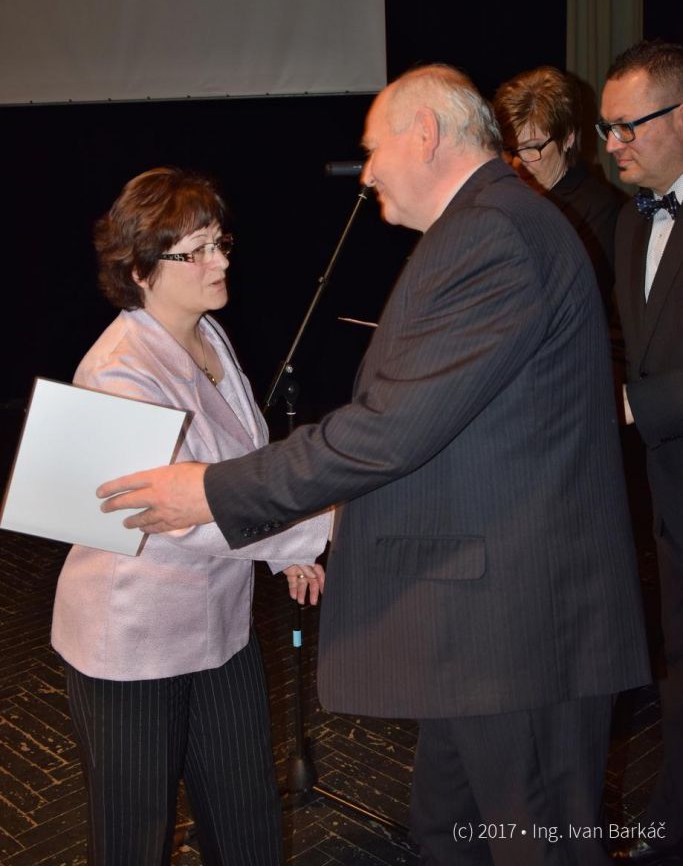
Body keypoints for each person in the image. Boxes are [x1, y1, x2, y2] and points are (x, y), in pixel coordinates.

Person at [97, 66, 651, 866]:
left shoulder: (494, 235)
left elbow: (389, 431)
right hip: (486, 624)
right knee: (450, 834)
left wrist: (211, 491)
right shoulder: (484, 226)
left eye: (372, 148)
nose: (367, 173)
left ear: (423, 135)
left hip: (520, 633)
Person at [51, 167, 331, 866]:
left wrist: (284, 552)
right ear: (139, 270)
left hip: (218, 625)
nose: (221, 261)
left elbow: (245, 460)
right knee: (135, 837)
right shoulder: (117, 370)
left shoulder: (207, 336)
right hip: (131, 642)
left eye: (220, 242)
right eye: (196, 250)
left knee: (246, 819)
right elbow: (179, 513)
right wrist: (320, 529)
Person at [597, 40, 683, 863]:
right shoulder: (630, 223)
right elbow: (636, 350)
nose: (612, 145)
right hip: (668, 498)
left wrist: (629, 404)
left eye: (627, 126)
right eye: (605, 129)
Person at [493, 65, 624, 312]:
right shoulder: (506, 195)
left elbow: (568, 299)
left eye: (532, 147)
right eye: (510, 149)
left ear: (568, 138)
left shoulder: (599, 209)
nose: (518, 162)